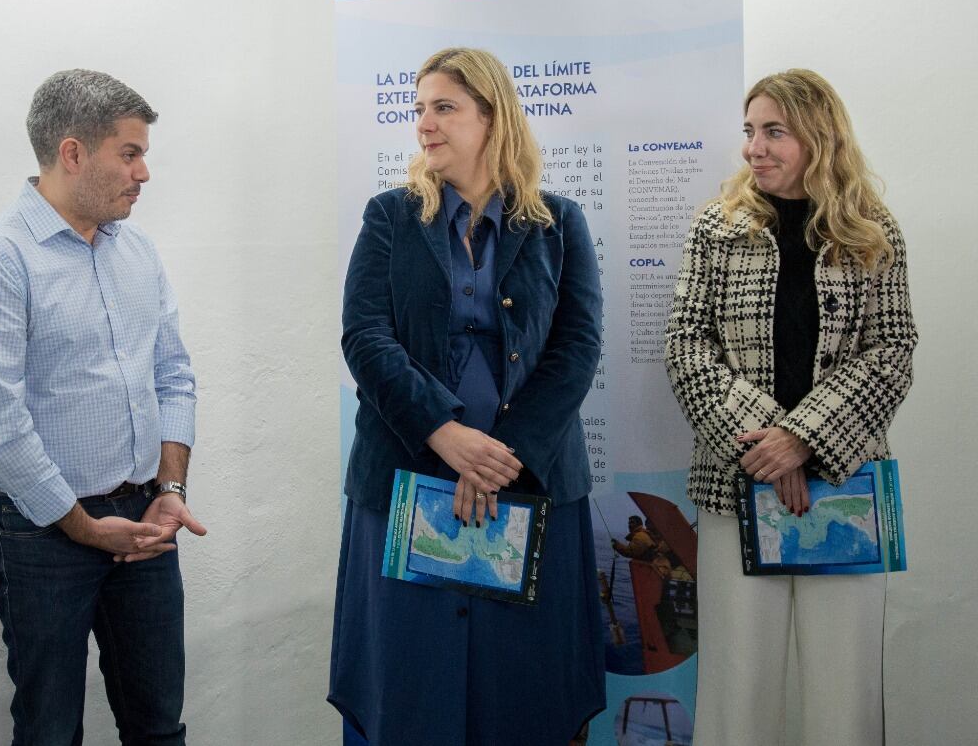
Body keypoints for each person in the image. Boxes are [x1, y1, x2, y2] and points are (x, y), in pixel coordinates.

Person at [330, 47, 606, 746]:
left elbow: (577, 350)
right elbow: (365, 336)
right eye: (419, 108)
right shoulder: (390, 217)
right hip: (407, 477)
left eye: (444, 107)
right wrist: (445, 435)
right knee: (410, 688)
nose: (425, 122)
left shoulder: (559, 223)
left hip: (530, 480)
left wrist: (499, 458)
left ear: (492, 118)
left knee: (525, 692)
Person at [0, 69, 206, 745]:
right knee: (51, 731)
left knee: (158, 726)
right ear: (71, 154)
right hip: (40, 531)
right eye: (130, 152)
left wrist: (170, 490)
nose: (144, 172)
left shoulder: (137, 251)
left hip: (145, 517)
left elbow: (173, 375)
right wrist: (83, 526)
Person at [664, 69, 918, 745]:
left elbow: (892, 350)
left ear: (818, 135)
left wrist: (802, 440)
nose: (756, 147)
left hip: (843, 491)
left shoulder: (871, 228)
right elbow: (687, 347)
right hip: (735, 487)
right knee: (739, 688)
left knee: (844, 689)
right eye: (750, 131)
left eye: (774, 131)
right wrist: (769, 448)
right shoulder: (717, 228)